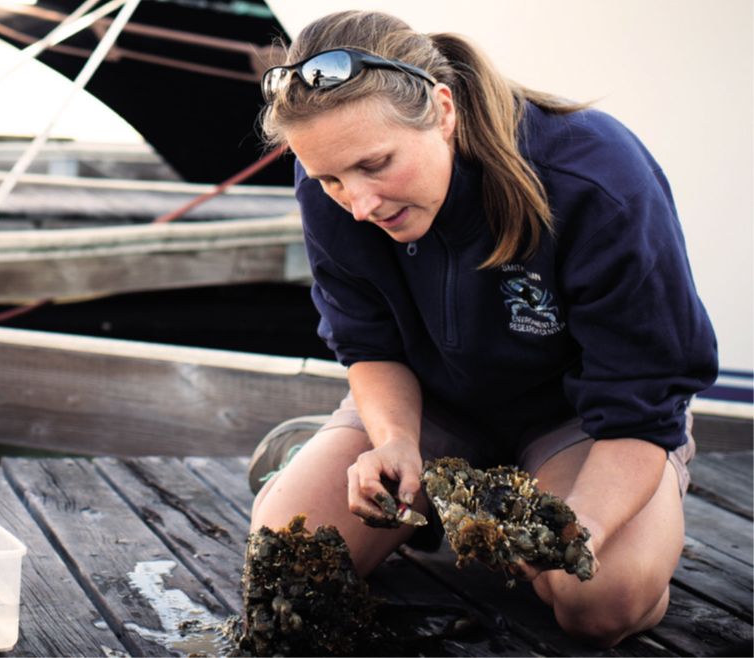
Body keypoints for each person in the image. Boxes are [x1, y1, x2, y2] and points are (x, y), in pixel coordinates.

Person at [248, 9, 718, 649]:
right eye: (330, 179)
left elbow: (642, 394)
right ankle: (392, 479)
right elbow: (370, 346)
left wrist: (583, 523)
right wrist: (391, 441)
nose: (359, 205)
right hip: (433, 402)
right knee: (288, 562)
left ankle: (631, 508)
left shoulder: (595, 177)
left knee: (601, 599)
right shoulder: (329, 179)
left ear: (442, 110)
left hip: (584, 419)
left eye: (376, 164)